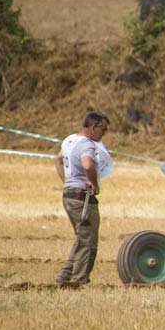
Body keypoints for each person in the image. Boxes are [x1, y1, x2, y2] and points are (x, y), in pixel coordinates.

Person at [54, 111, 112, 287]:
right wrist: (93, 183)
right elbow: (87, 163)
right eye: (103, 129)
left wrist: (67, 182)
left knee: (81, 237)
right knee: (88, 240)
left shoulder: (70, 140)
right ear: (93, 128)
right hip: (82, 198)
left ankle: (65, 276)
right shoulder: (87, 144)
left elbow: (57, 159)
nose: (104, 133)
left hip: (69, 195)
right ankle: (78, 280)